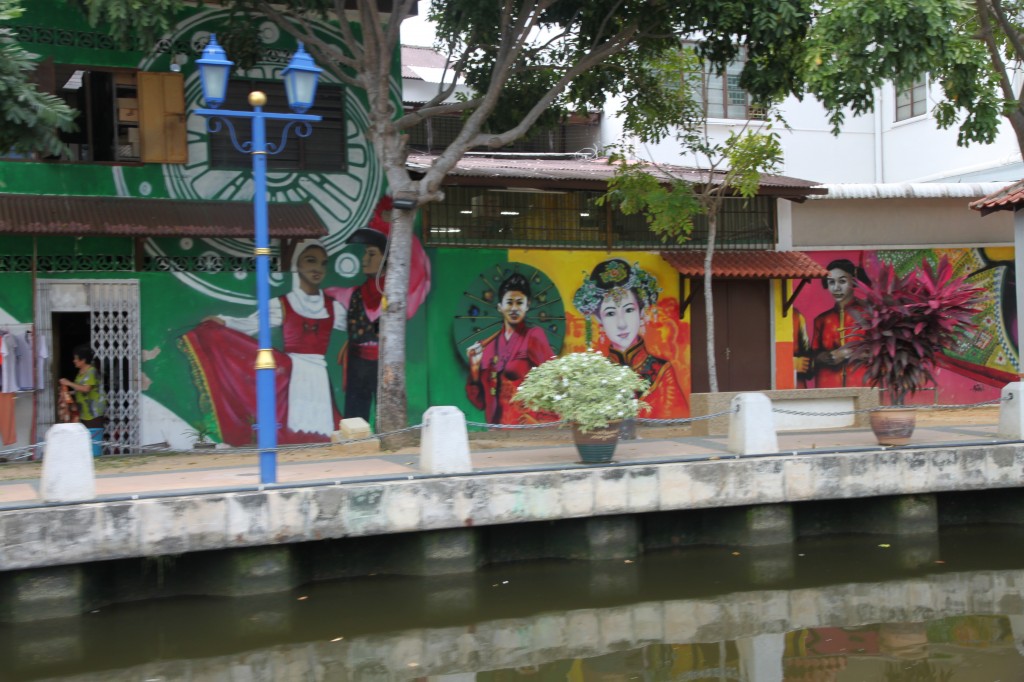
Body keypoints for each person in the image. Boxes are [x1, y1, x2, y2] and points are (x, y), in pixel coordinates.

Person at [180, 239, 346, 445]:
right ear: (298, 265)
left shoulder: (334, 308)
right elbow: (252, 324)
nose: (317, 268)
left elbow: (356, 329)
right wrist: (224, 320)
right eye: (310, 261)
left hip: (319, 373)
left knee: (322, 424)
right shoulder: (282, 304)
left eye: (322, 263)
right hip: (291, 371)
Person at [325, 196, 432, 422]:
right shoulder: (352, 293)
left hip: (383, 363)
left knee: (385, 411)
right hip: (356, 364)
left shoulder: (397, 294)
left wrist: (392, 225)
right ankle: (356, 446)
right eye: (365, 253)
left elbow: (417, 264)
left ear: (385, 260)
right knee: (355, 411)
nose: (365, 258)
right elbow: (324, 294)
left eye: (371, 254)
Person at [573, 258, 687, 417]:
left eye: (628, 310)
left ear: (641, 312)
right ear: (599, 320)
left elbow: (674, 420)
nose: (621, 324)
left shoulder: (662, 372)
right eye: (611, 313)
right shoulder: (596, 375)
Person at [465, 272, 554, 424]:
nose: (514, 308)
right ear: (500, 307)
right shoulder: (487, 346)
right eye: (509, 302)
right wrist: (474, 368)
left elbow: (554, 379)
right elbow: (479, 403)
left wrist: (539, 421)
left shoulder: (533, 336)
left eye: (519, 303)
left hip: (525, 425)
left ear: (527, 305)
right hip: (496, 428)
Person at [809, 258, 870, 388]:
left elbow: (881, 352)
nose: (836, 288)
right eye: (831, 282)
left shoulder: (869, 315)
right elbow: (812, 356)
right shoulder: (822, 320)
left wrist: (847, 353)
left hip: (862, 384)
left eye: (842, 281)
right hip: (827, 385)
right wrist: (823, 357)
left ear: (853, 282)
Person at [59, 344, 107, 431]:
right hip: (83, 413)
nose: (74, 361)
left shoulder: (92, 371)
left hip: (93, 413)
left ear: (83, 360)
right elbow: (79, 388)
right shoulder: (80, 373)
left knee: (93, 440)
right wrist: (69, 393)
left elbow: (86, 389)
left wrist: (69, 383)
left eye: (76, 358)